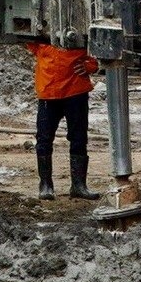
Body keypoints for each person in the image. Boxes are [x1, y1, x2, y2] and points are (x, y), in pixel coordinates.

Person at [29, 42, 100, 200]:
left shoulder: (79, 39)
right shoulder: (41, 41)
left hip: (74, 91)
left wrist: (90, 66)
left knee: (79, 138)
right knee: (44, 139)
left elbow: (95, 55)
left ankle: (78, 185)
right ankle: (46, 185)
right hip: (49, 93)